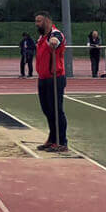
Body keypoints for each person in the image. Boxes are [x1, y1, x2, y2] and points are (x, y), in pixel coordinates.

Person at [34, 11, 68, 152]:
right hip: (43, 78)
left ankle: (61, 141)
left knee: (56, 110)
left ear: (47, 21)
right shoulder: (42, 37)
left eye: (39, 21)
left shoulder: (55, 33)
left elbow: (57, 39)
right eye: (36, 21)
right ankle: (52, 138)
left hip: (55, 78)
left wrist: (54, 42)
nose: (37, 24)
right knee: (47, 110)